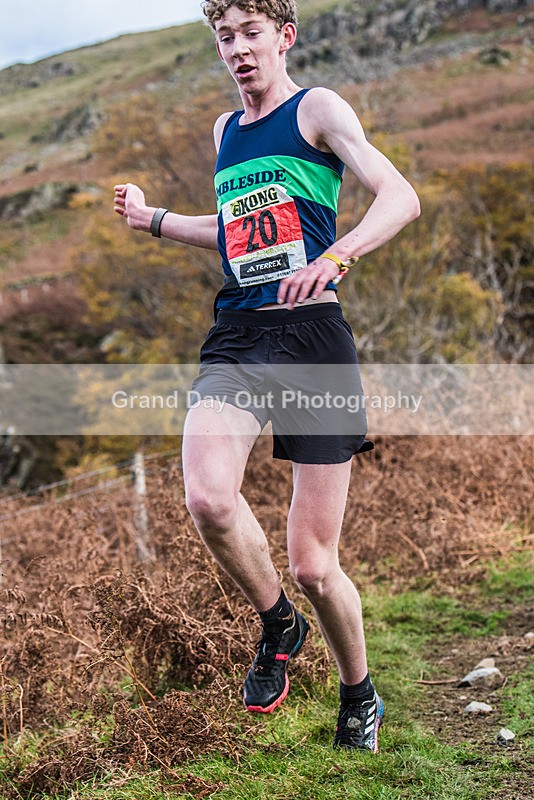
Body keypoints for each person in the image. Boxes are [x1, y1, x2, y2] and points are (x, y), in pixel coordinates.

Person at [113, 0, 420, 752]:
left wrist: (335, 257)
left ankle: (359, 692)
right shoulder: (224, 132)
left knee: (317, 565)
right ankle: (279, 623)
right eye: (226, 38)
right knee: (207, 498)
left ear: (283, 37)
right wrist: (155, 220)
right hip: (241, 335)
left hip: (313, 339)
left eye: (252, 34)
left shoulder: (317, 109)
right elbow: (232, 235)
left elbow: (401, 197)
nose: (239, 50)